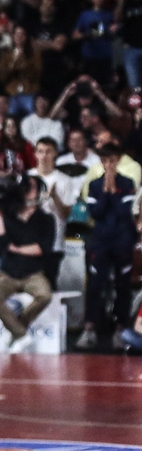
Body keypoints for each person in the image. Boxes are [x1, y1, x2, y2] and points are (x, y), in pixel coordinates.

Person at [79, 137, 139, 350]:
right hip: (101, 242)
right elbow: (96, 212)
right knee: (96, 284)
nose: (109, 165)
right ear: (102, 162)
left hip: (122, 241)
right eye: (106, 161)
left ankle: (120, 330)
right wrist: (107, 192)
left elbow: (125, 213)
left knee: (122, 286)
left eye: (113, 160)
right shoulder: (95, 186)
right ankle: (89, 329)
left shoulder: (128, 183)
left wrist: (114, 190)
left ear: (118, 161)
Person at [0, 176, 58, 352]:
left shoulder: (46, 218)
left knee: (44, 295)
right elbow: (0, 240)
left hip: (33, 271)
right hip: (8, 271)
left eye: (34, 188)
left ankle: (16, 329)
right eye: (28, 188)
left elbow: (42, 248)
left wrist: (15, 248)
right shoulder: (9, 215)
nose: (31, 192)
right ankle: (21, 334)